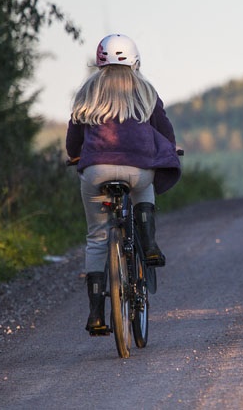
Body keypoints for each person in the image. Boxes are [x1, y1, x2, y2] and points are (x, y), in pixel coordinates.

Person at [66, 33, 181, 335]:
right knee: (145, 184)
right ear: (135, 61)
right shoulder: (145, 90)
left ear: (99, 60)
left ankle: (95, 314)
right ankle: (150, 243)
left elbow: (73, 140)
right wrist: (170, 147)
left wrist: (75, 155)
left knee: (96, 239)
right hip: (137, 168)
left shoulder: (88, 92)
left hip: (95, 171)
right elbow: (164, 131)